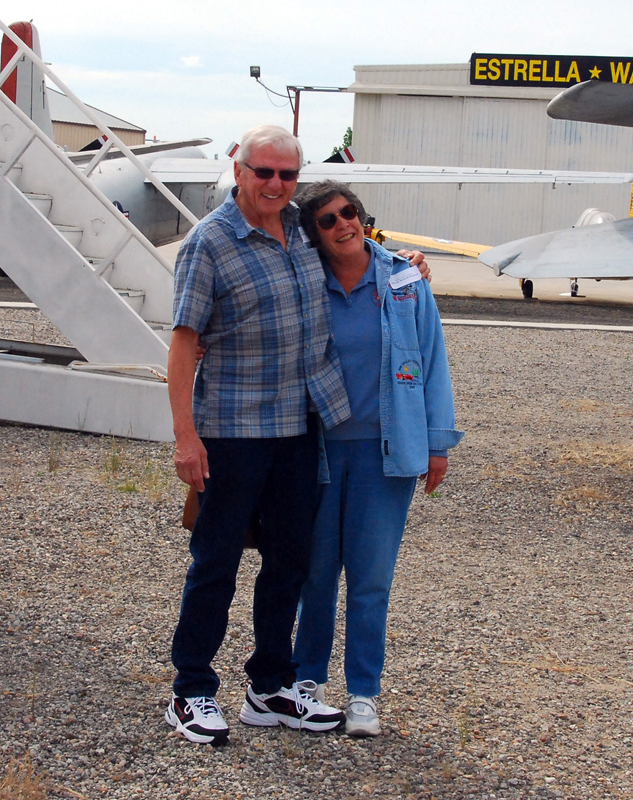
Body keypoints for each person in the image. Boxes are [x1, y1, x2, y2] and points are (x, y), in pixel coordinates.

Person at [164, 126, 427, 746]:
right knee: (216, 562)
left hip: (301, 428)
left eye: (287, 175)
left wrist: (410, 266)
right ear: (240, 171)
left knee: (290, 563)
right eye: (264, 173)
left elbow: (360, 251)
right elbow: (181, 344)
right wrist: (185, 438)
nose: (275, 185)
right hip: (233, 429)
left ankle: (270, 687)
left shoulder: (302, 234)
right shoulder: (210, 244)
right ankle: (192, 690)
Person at [292, 181, 463, 737]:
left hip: (385, 456)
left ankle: (364, 693)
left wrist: (436, 443)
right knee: (315, 574)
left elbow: (433, 359)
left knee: (370, 578)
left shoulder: (405, 279)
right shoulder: (302, 282)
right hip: (312, 451)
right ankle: (306, 682)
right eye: (327, 220)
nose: (343, 224)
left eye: (350, 213)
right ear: (312, 234)